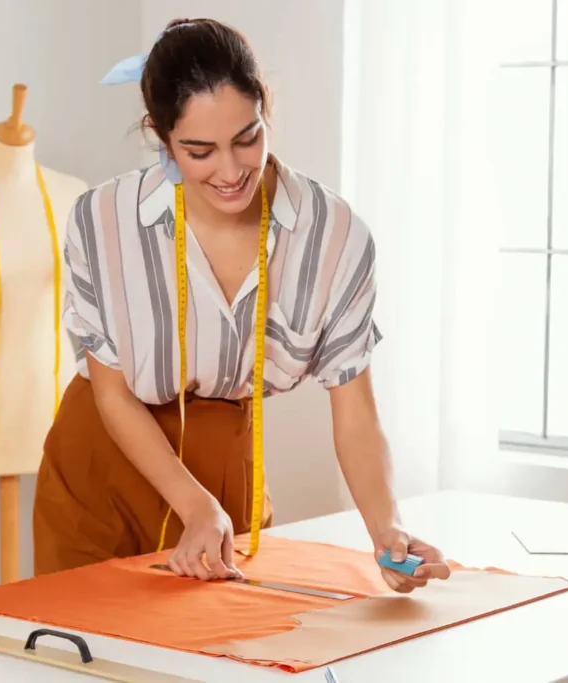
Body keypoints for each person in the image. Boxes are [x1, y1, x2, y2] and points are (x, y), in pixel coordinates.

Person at [32, 16, 450, 594]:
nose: (230, 172)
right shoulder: (102, 220)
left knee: (234, 639)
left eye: (247, 138)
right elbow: (112, 393)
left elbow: (355, 413)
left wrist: (388, 532)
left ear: (265, 107)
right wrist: (195, 505)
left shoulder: (334, 237)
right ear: (160, 136)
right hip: (102, 462)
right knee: (80, 641)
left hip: (228, 460)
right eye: (199, 151)